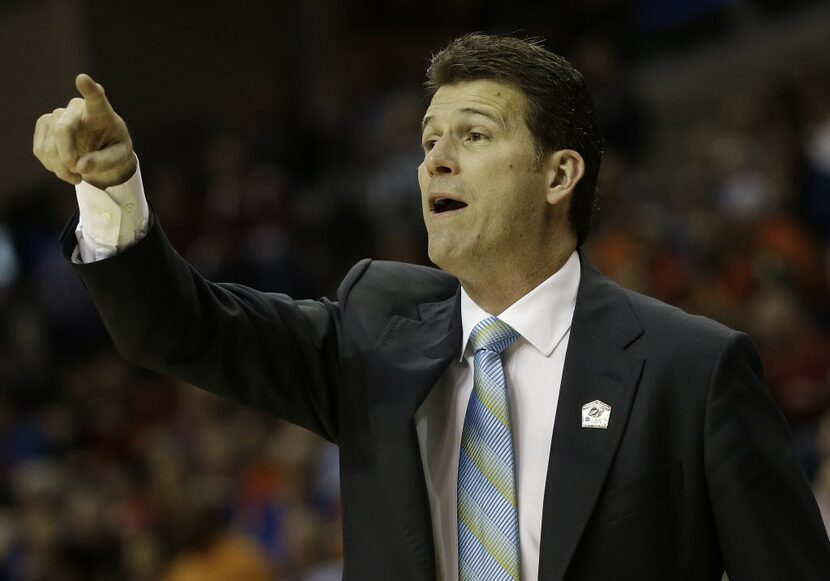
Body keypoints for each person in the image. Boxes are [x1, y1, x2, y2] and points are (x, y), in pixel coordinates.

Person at [33, 33, 830, 580]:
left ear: (559, 176)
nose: (435, 158)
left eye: (473, 135)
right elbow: (182, 329)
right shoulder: (375, 330)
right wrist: (109, 193)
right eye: (427, 140)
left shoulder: (690, 368)